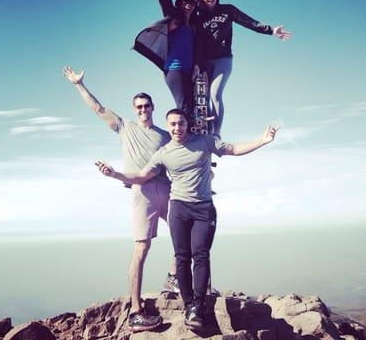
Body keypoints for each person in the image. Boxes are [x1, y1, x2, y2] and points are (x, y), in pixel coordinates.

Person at [95, 108, 277, 330]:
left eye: (180, 123)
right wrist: (114, 174)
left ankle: (197, 307)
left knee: (201, 255)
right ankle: (189, 305)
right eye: (172, 124)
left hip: (203, 209)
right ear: (168, 126)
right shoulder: (164, 152)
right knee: (182, 258)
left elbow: (234, 149)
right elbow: (141, 177)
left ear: (186, 124)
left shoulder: (204, 142)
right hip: (179, 208)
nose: (176, 128)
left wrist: (263, 140)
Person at [63, 66, 178, 333]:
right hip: (143, 193)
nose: (142, 110)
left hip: (167, 189)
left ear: (153, 107)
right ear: (133, 109)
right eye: (138, 106)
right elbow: (99, 110)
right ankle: (136, 311)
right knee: (141, 249)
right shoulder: (124, 127)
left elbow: (177, 160)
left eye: (146, 106)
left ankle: (173, 278)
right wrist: (79, 85)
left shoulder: (164, 135)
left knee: (185, 233)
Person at [190, 0, 291, 136]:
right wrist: (196, 63)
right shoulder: (197, 16)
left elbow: (249, 22)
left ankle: (216, 133)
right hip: (205, 61)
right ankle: (206, 131)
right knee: (203, 96)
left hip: (223, 59)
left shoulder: (227, 10)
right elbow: (195, 42)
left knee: (215, 94)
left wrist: (271, 30)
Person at [133, 0, 199, 122]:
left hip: (188, 70)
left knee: (193, 107)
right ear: (179, 3)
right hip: (174, 70)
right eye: (185, 2)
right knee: (183, 106)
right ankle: (183, 140)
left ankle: (193, 136)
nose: (188, 5)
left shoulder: (193, 25)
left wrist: (196, 66)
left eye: (192, 2)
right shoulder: (173, 18)